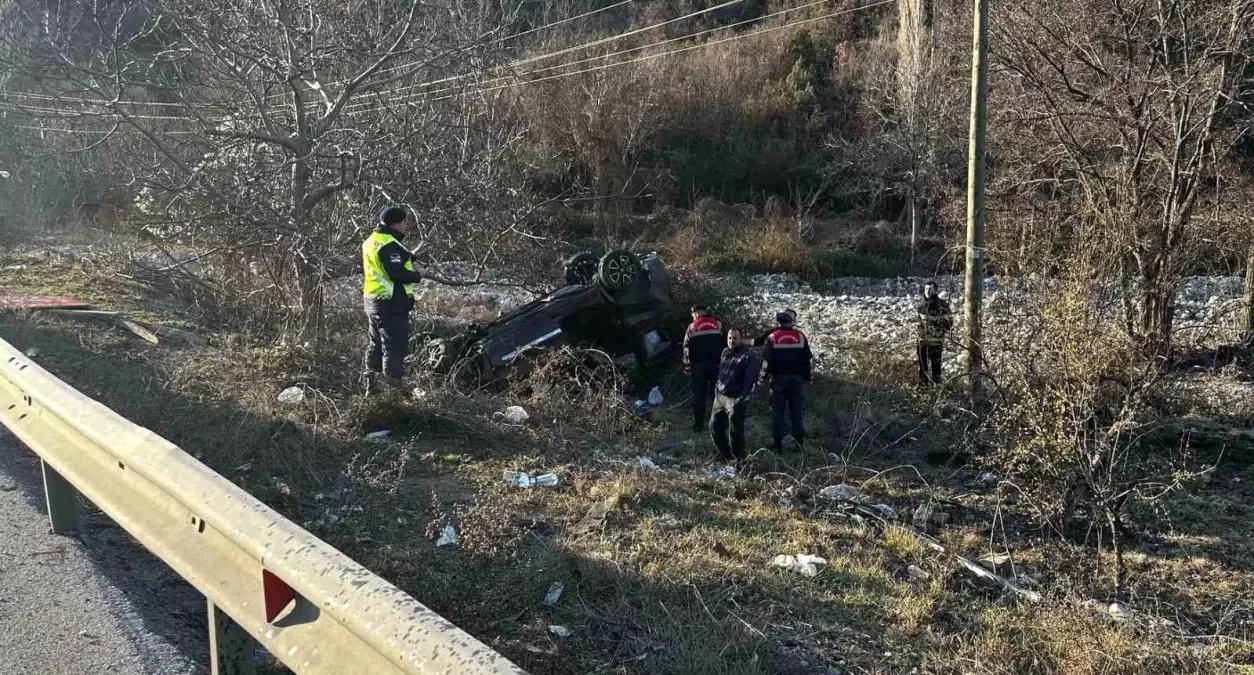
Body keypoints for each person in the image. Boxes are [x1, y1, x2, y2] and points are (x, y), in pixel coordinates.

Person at [362, 206, 424, 393]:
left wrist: (409, 257)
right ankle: (392, 394)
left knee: (376, 345)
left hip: (373, 301)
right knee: (394, 348)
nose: (406, 226)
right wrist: (417, 276)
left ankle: (371, 388)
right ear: (396, 224)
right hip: (391, 303)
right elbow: (395, 273)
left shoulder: (372, 241)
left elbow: (384, 264)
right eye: (404, 222)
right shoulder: (390, 244)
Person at [710, 329, 761, 471]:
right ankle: (727, 457)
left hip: (735, 398)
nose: (732, 341)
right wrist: (716, 391)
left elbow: (750, 380)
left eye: (735, 338)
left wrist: (742, 398)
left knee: (735, 433)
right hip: (720, 397)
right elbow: (721, 373)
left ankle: (740, 462)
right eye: (730, 338)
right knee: (714, 426)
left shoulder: (748, 356)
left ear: (741, 339)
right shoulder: (725, 352)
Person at [762, 311, 813, 453]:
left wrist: (762, 378)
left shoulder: (772, 337)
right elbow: (807, 361)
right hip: (796, 381)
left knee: (778, 413)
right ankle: (798, 445)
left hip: (778, 380)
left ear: (778, 323)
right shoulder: (800, 337)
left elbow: (766, 362)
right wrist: (807, 378)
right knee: (796, 413)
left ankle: (777, 445)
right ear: (790, 323)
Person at [683, 305, 725, 432]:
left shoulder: (691, 327)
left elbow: (686, 349)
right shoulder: (718, 325)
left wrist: (687, 367)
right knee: (717, 395)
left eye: (693, 315)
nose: (693, 318)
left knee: (699, 395)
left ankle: (698, 425)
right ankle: (719, 424)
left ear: (696, 313)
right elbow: (726, 344)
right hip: (717, 365)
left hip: (698, 366)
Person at [916, 280, 953, 385]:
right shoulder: (920, 306)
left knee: (936, 369)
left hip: (936, 342)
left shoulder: (942, 306)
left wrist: (938, 327)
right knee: (923, 369)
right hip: (922, 342)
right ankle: (923, 392)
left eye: (930, 289)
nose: (927, 291)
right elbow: (919, 323)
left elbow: (950, 323)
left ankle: (936, 391)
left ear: (935, 290)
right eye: (926, 288)